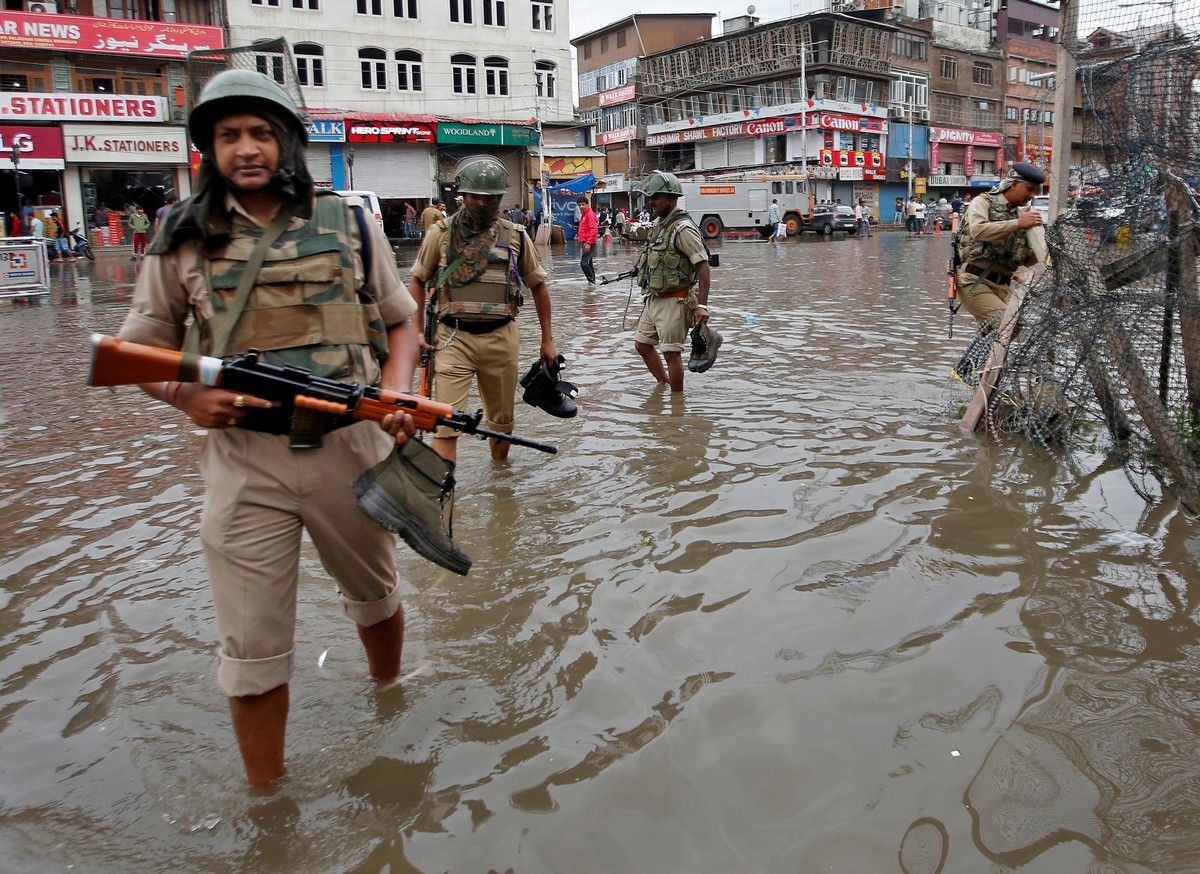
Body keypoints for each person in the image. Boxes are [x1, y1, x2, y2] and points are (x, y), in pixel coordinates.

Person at [114, 69, 423, 785]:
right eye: (228, 135)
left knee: (376, 595)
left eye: (260, 133)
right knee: (250, 647)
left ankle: (388, 697)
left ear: (287, 142)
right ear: (208, 148)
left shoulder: (347, 220)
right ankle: (268, 804)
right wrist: (184, 396)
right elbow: (138, 352)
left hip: (350, 446)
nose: (246, 149)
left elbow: (402, 321)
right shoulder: (181, 234)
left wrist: (396, 393)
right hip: (243, 462)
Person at [408, 155, 559, 464]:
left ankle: (500, 483)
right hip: (452, 338)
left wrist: (548, 340)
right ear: (461, 195)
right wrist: (413, 332)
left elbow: (539, 287)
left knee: (501, 424)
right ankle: (443, 499)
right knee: (445, 425)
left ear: (499, 198)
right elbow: (418, 280)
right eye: (474, 196)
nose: (481, 202)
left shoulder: (516, 235)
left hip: (501, 339)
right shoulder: (440, 234)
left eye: (489, 197)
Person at [630, 170, 711, 393]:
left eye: (656, 197)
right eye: (650, 197)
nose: (651, 202)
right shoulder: (659, 225)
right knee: (642, 345)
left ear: (671, 198)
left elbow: (703, 267)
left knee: (671, 353)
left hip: (676, 301)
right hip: (654, 299)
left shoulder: (683, 229)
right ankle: (665, 386)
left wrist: (702, 306)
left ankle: (677, 405)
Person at [954, 161, 1046, 332]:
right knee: (1011, 328)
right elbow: (978, 231)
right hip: (974, 282)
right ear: (1014, 184)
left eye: (1036, 191)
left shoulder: (1018, 214)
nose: (1032, 195)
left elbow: (1026, 259)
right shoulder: (983, 202)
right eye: (1030, 189)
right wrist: (1019, 223)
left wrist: (1046, 244)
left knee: (992, 340)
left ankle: (982, 359)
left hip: (1002, 287)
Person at [577, 195, 598, 284]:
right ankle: (593, 283)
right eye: (579, 205)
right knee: (589, 264)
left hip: (589, 242)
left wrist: (588, 243)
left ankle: (591, 282)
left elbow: (594, 229)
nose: (581, 207)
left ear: (587, 204)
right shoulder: (584, 214)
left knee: (584, 264)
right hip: (585, 241)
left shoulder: (589, 214)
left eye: (583, 204)